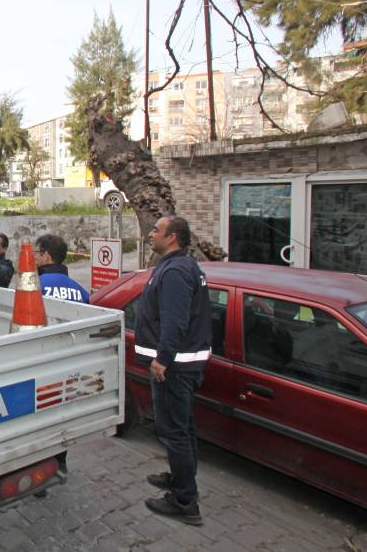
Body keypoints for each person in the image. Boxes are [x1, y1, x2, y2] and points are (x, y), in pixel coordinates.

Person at [135, 216, 211, 526]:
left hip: (174, 369)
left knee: (174, 431)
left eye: (156, 230)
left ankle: (184, 501)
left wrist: (163, 359)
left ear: (173, 237)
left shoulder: (177, 271)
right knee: (184, 427)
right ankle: (180, 476)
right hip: (181, 366)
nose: (150, 234)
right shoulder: (179, 265)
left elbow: (175, 320)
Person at [34, 234, 90, 303]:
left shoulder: (35, 285)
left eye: (36, 252)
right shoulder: (80, 291)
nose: (34, 257)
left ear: (46, 256)